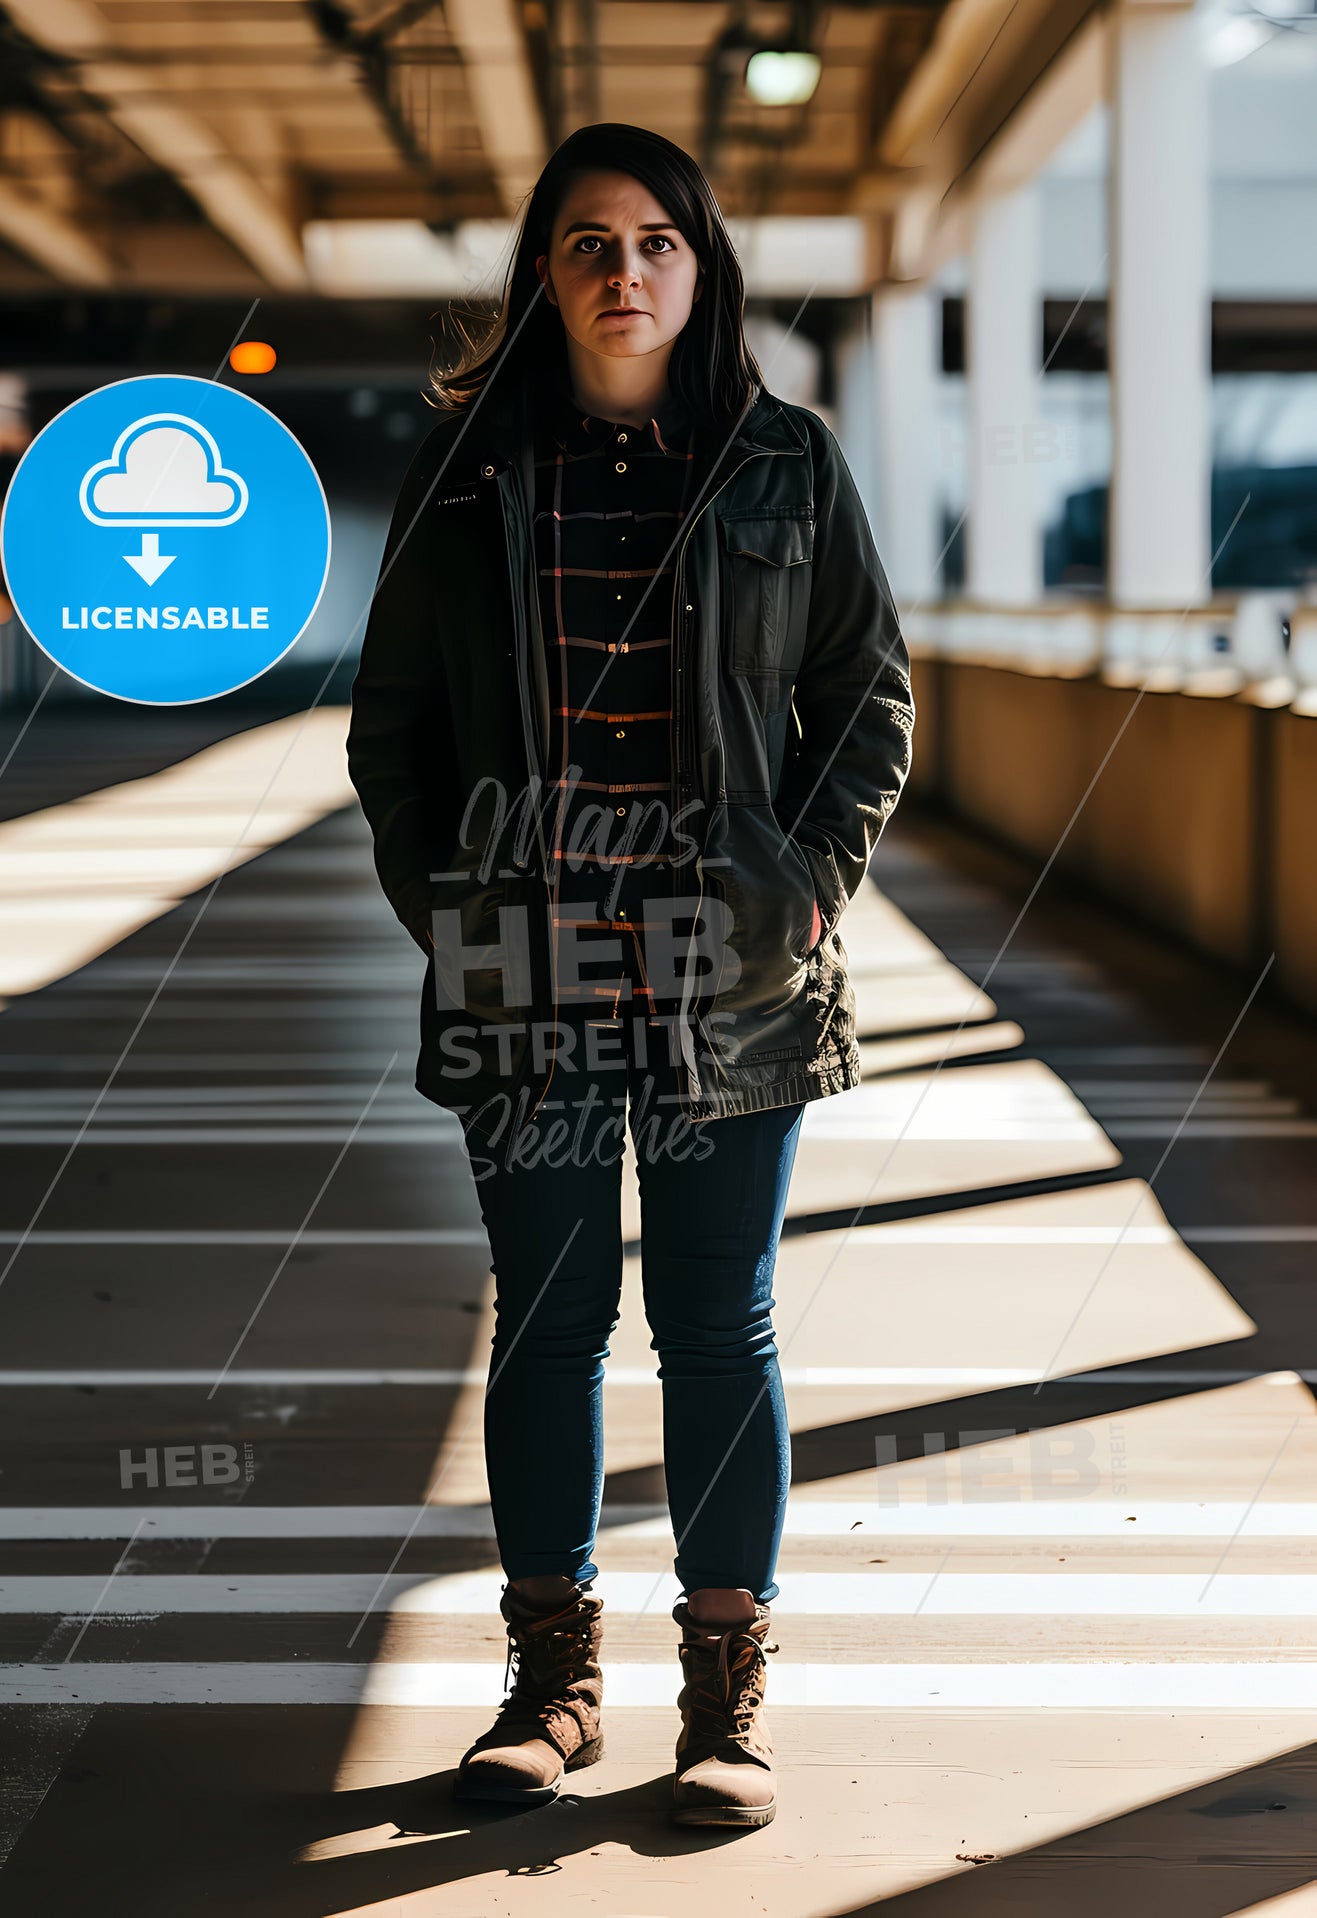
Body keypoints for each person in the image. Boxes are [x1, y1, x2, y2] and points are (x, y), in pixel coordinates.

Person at [346, 122, 914, 1830]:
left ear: (701, 266)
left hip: (726, 971)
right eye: (588, 242)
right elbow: (397, 738)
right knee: (550, 1325)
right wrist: (450, 910)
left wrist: (805, 894)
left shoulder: (782, 465)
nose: (623, 273)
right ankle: (552, 1684)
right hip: (523, 967)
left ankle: (725, 1700)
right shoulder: (462, 476)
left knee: (715, 1327)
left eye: (656, 241)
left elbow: (863, 699)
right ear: (542, 270)